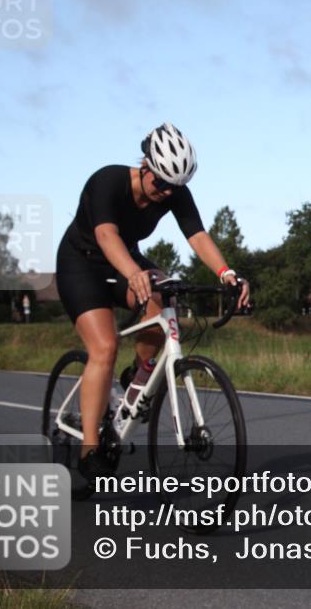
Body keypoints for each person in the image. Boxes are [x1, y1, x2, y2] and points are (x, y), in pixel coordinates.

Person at [55, 122, 250, 479]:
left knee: (165, 295)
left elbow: (197, 235)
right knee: (105, 347)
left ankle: (139, 374)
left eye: (174, 187)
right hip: (82, 264)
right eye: (160, 182)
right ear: (145, 166)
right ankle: (88, 450)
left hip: (126, 260)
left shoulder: (173, 192)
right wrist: (133, 272)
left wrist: (227, 274)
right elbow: (105, 233)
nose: (165, 192)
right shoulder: (108, 181)